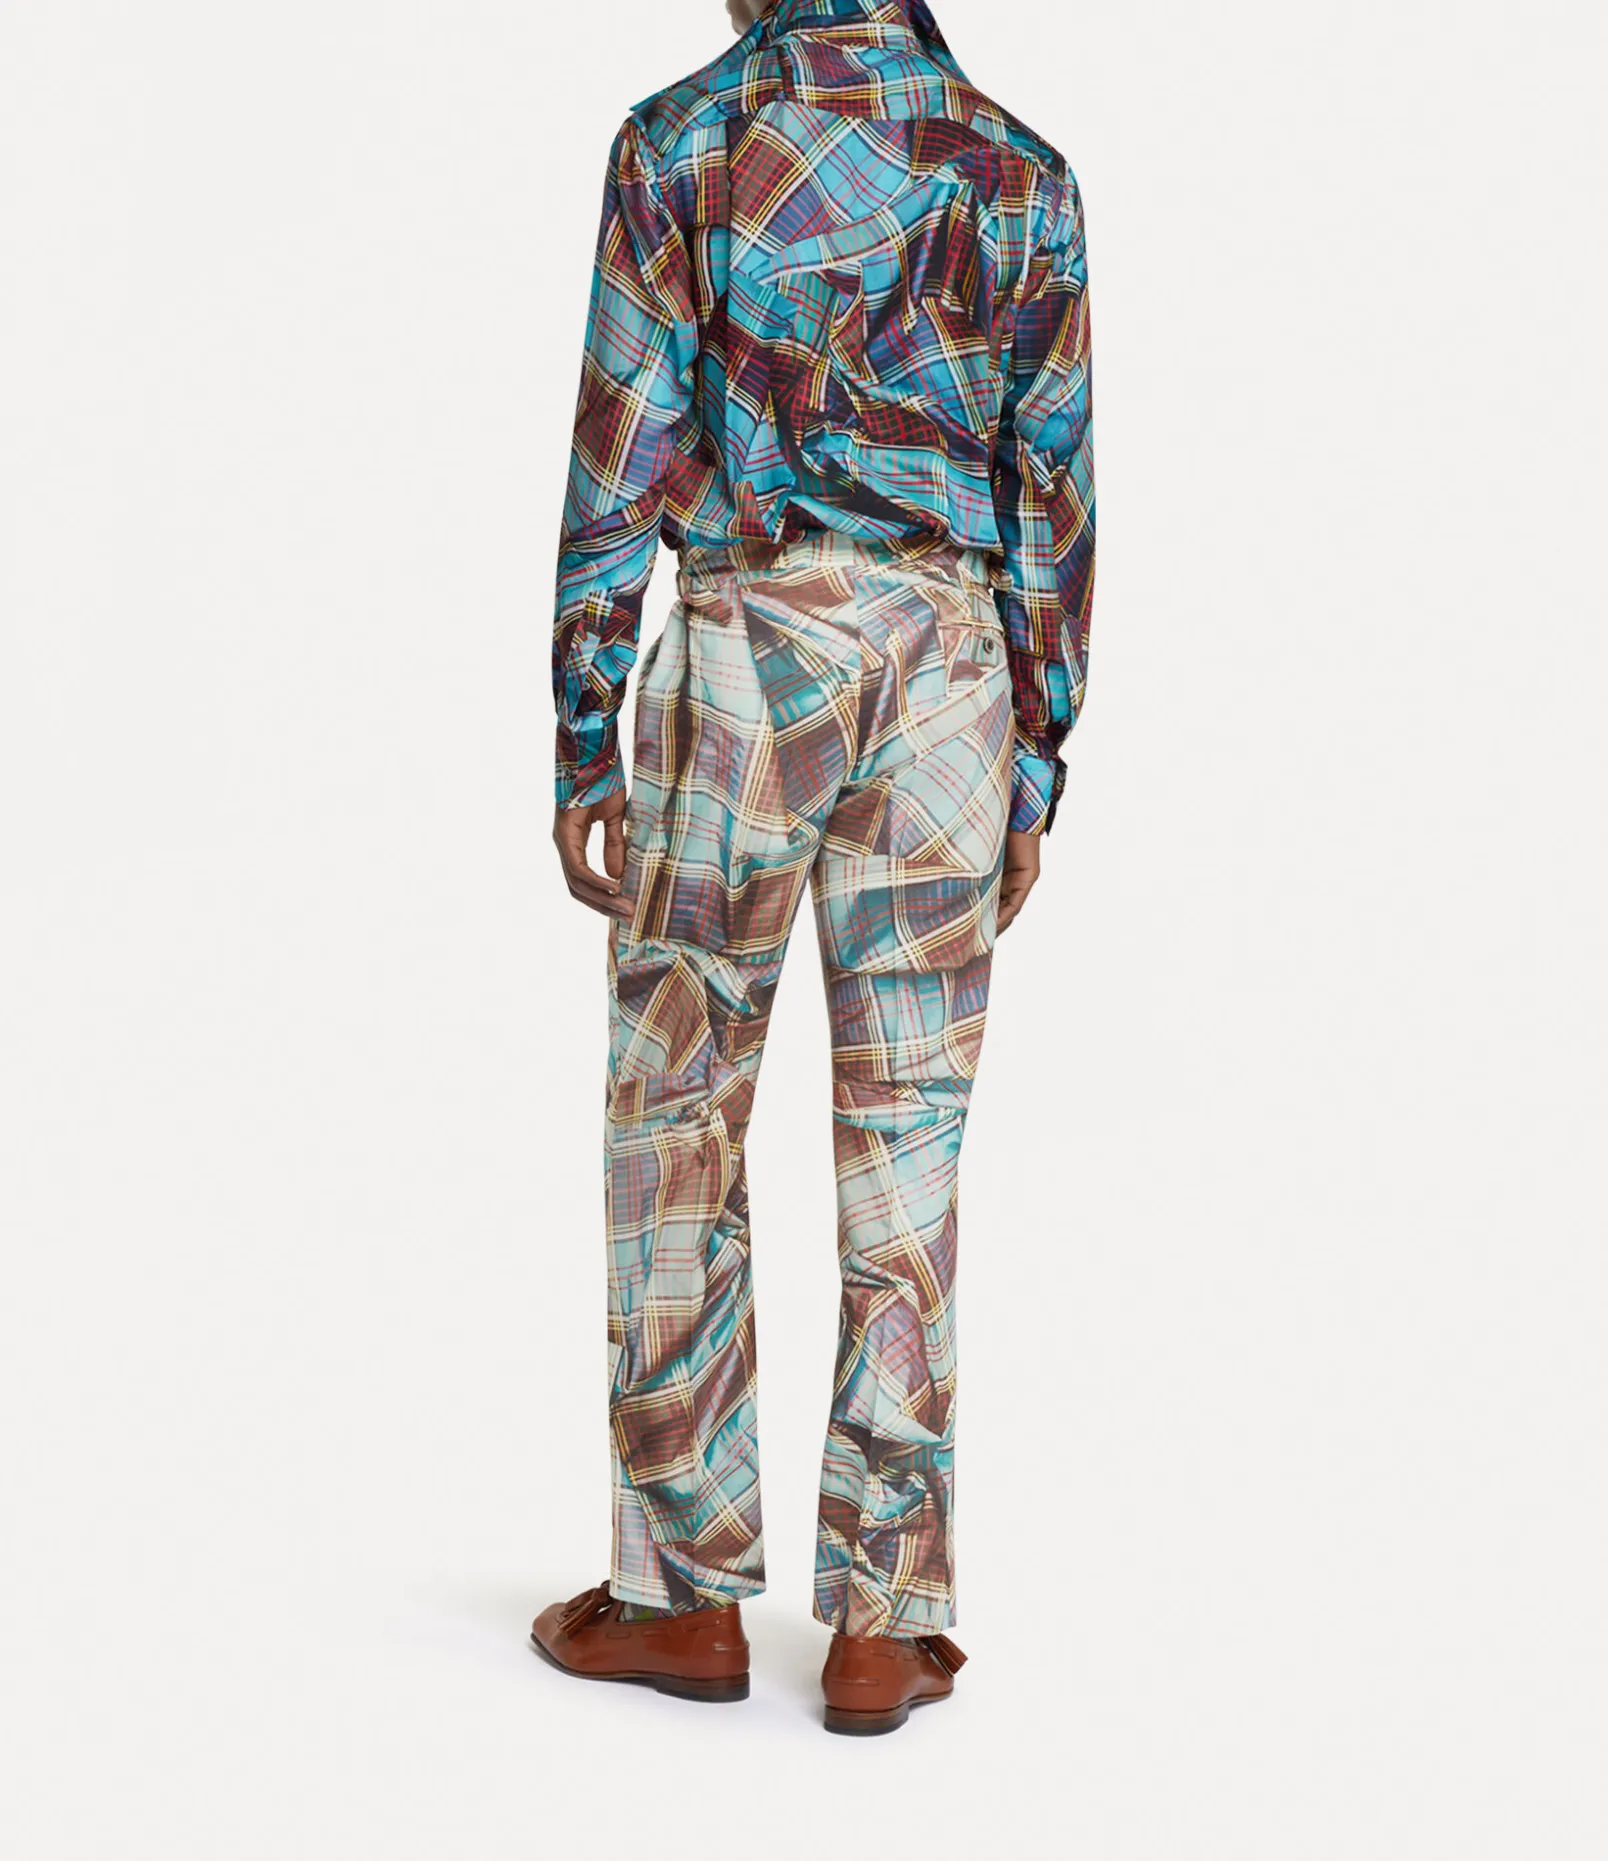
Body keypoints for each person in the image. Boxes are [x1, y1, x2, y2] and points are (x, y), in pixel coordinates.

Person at [531, 0, 1094, 1736]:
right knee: (908, 1134)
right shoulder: (1020, 171)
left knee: (677, 1108)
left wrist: (584, 720)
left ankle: (680, 1593)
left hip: (749, 645)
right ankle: (883, 1621)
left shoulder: (680, 143)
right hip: (951, 666)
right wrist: (1036, 754)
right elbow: (1052, 496)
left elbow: (622, 448)